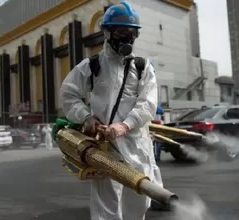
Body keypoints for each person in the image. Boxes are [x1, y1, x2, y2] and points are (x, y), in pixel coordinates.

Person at [59, 2, 163, 219]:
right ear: (107, 32)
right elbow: (68, 95)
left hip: (136, 146)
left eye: (132, 32)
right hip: (104, 146)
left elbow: (148, 104)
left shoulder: (142, 67)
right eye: (122, 31)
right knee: (105, 206)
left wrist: (125, 126)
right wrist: (86, 117)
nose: (128, 38)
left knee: (137, 201)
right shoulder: (92, 66)